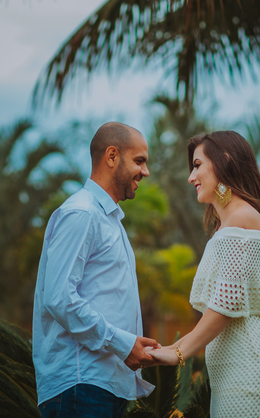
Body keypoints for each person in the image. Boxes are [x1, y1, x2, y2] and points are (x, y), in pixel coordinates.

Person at [148, 130, 260, 418]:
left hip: (250, 382)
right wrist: (164, 350)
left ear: (224, 161)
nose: (191, 177)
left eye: (198, 165)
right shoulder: (230, 223)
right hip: (238, 381)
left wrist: (177, 353)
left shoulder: (241, 217)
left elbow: (226, 305)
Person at [33, 121, 161, 418]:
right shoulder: (81, 213)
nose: (146, 171)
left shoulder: (109, 219)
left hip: (101, 385)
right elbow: (59, 297)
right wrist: (122, 344)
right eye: (139, 161)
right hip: (81, 386)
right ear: (112, 156)